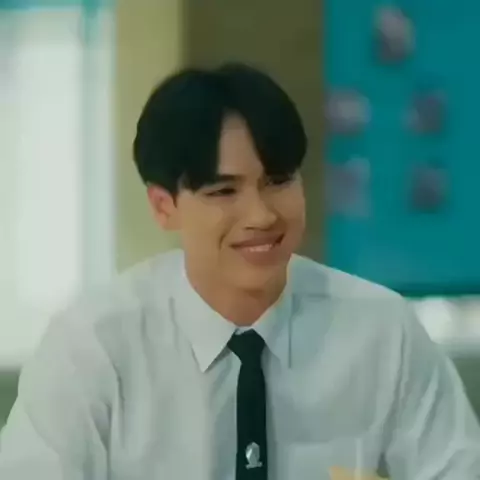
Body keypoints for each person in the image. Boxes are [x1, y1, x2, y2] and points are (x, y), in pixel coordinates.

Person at [0, 63, 479, 480]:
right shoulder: (92, 346)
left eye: (278, 181)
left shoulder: (382, 332)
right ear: (164, 206)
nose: (261, 215)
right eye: (223, 192)